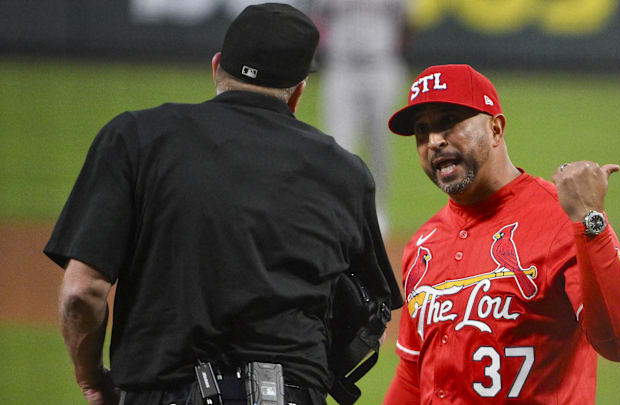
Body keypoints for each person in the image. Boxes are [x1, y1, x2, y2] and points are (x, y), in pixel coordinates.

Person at [44, 3, 401, 405]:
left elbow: (81, 293)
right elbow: (371, 321)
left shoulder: (135, 138)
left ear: (216, 68)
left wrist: (92, 379)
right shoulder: (345, 172)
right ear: (298, 92)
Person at [382, 64, 620, 404]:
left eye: (449, 121)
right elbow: (412, 375)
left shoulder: (561, 218)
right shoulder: (423, 245)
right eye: (422, 130)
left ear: (495, 129)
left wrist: (591, 220)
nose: (434, 141)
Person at [311, 0, 409, 236]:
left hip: (381, 65)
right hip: (341, 68)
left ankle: (378, 212)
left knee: (380, 145)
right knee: (336, 147)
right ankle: (338, 214)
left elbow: (408, 23)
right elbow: (315, 20)